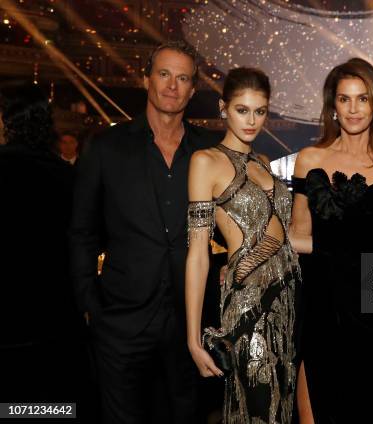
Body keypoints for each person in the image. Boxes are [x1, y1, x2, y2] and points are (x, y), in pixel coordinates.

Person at [70, 41, 219, 424]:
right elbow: (82, 232)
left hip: (191, 323)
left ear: (193, 89)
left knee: (186, 416)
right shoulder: (106, 147)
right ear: (146, 79)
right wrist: (92, 306)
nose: (172, 86)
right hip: (121, 320)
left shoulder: (211, 151)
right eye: (164, 74)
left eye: (183, 78)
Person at [289, 58, 373, 423]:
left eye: (362, 99)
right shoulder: (310, 159)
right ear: (333, 106)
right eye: (345, 100)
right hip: (323, 304)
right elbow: (298, 235)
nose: (353, 109)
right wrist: (247, 255)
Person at [185, 67, 300, 423]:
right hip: (249, 306)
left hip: (289, 300)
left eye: (260, 111)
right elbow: (198, 253)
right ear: (224, 108)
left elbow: (285, 235)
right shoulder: (206, 162)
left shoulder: (263, 162)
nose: (252, 120)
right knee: (260, 408)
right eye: (242, 110)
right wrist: (193, 339)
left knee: (282, 408)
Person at [0, 84, 84, 404]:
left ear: (10, 121)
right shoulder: (68, 176)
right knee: (50, 405)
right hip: (56, 317)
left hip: (7, 321)